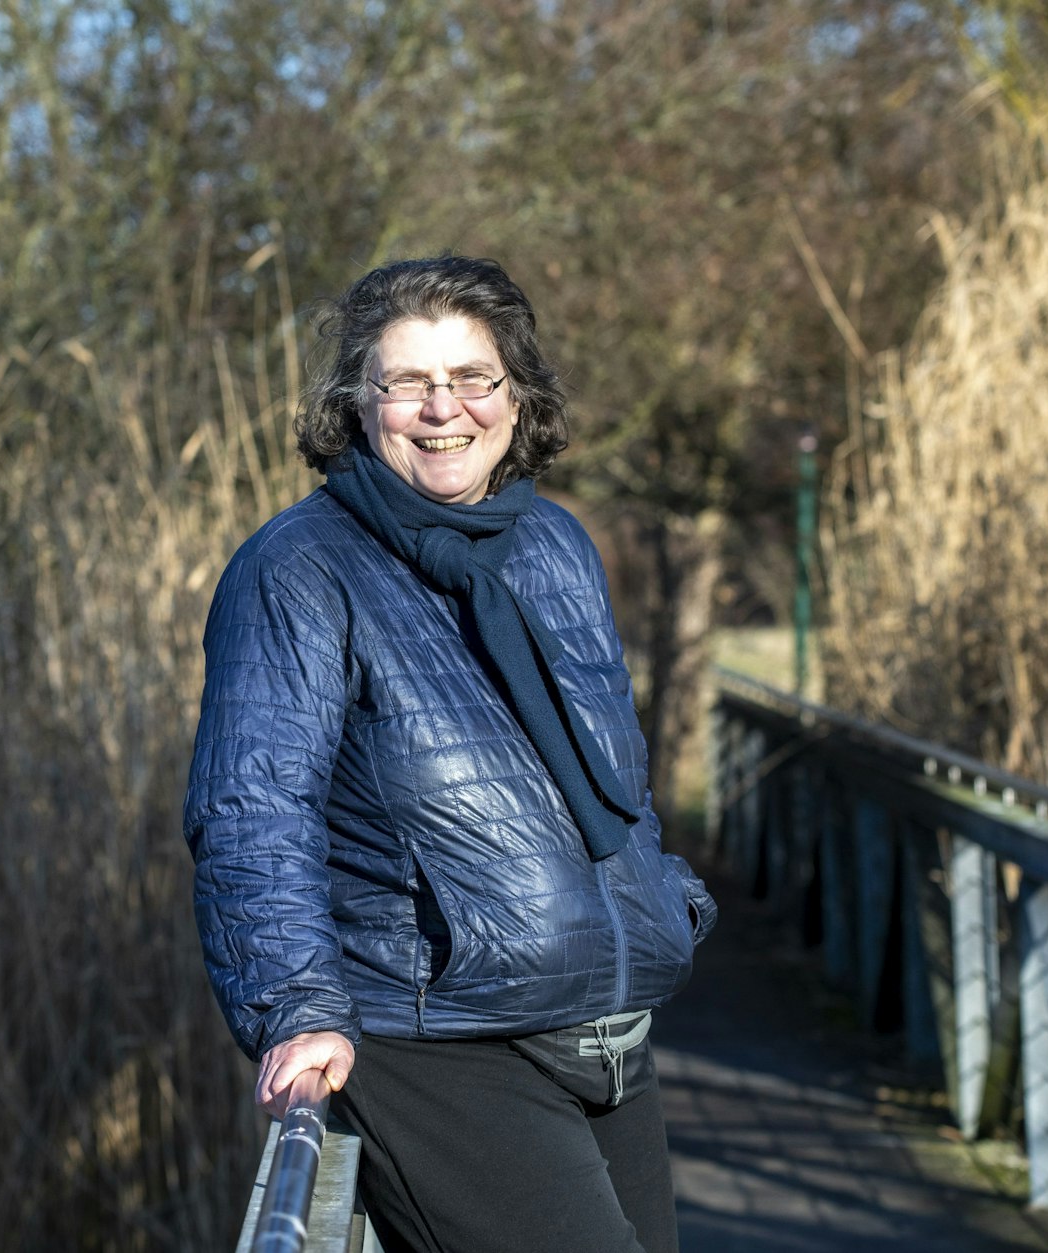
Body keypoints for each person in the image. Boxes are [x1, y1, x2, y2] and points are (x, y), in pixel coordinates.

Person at [184, 255, 716, 1253]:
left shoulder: (552, 545)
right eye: (406, 383)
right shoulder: (299, 568)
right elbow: (253, 807)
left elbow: (609, 774)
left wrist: (658, 894)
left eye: (473, 377)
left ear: (514, 396)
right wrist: (293, 1002)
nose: (444, 409)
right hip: (436, 1036)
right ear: (356, 403)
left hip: (609, 1027)